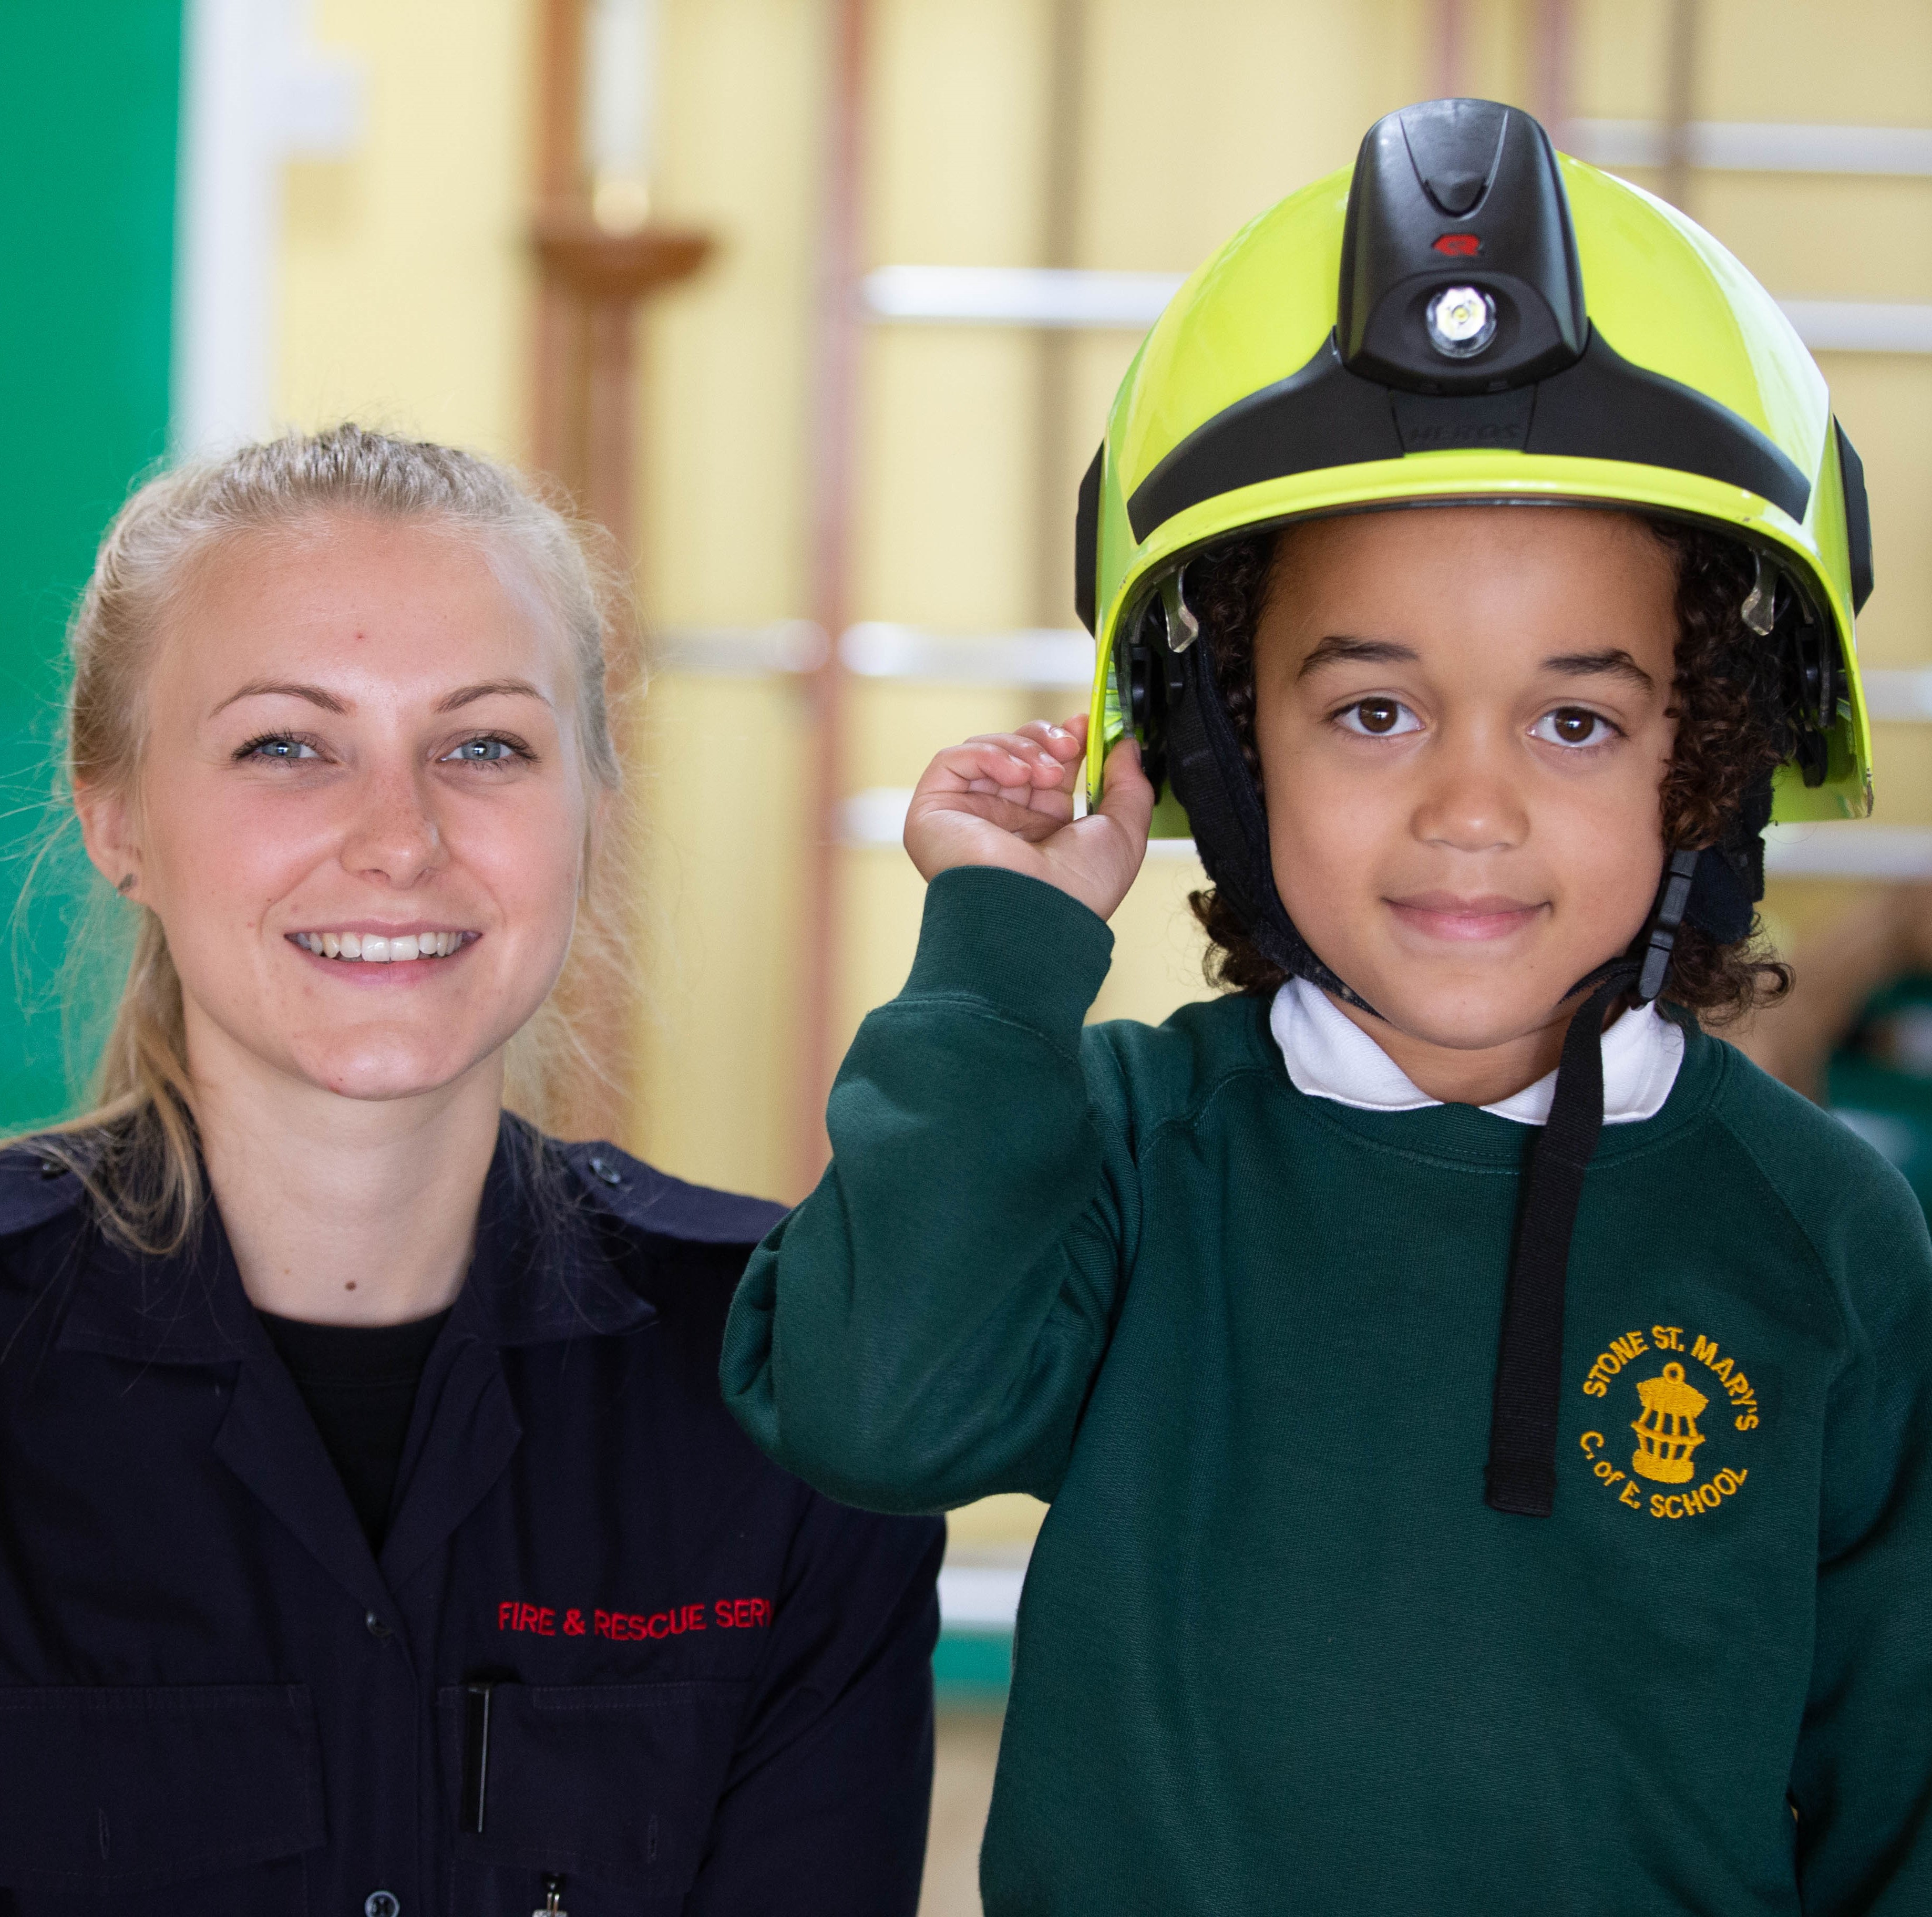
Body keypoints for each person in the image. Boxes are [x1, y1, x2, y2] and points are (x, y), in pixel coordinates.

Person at [722, 98, 1932, 1912]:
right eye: (1373, 710)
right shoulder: (1128, 1148)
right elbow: (873, 1413)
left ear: (1711, 767)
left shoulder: (1820, 1230)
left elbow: (1894, 1792)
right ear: (1223, 743)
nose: (1470, 807)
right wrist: (995, 958)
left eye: (1575, 721)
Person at [0, 426, 941, 1916]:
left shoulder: (790, 1383)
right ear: (118, 817)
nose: (400, 837)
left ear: (589, 806)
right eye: (286, 745)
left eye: (485, 745)